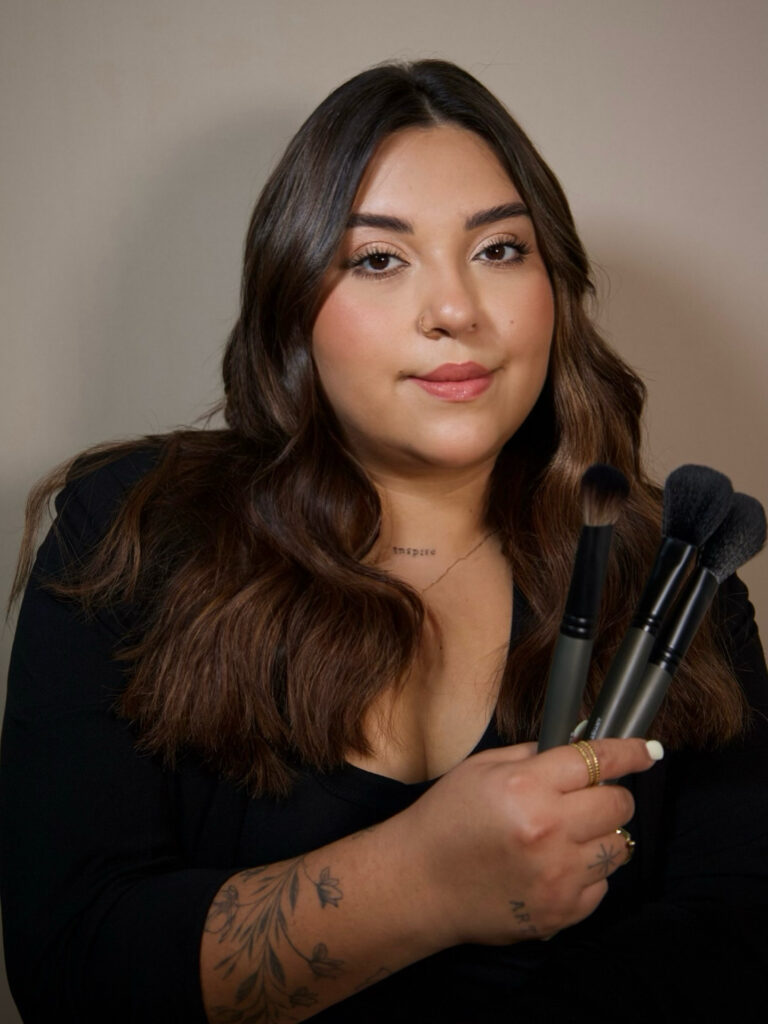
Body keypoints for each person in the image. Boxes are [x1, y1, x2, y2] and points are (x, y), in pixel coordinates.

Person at [1, 60, 766, 1024]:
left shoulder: (677, 576)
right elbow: (69, 968)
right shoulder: (130, 531)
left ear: (556, 286)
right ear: (292, 301)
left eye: (499, 249)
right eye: (377, 259)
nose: (455, 310)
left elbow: (740, 945)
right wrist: (424, 881)